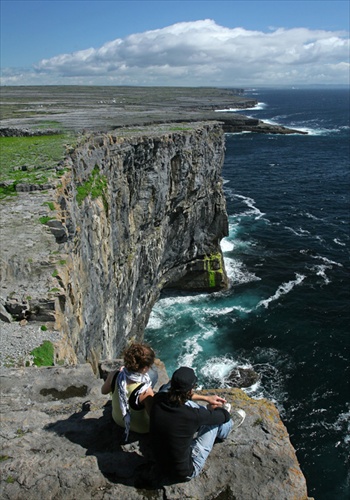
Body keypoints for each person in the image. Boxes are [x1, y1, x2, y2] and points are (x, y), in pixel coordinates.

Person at [149, 366, 246, 482]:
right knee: (213, 422)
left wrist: (206, 398)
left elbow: (174, 392)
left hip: (159, 462)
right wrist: (215, 409)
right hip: (185, 471)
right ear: (190, 390)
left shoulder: (158, 398)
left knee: (197, 411)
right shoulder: (193, 415)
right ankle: (227, 429)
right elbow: (223, 416)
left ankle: (216, 420)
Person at [101, 342, 157, 442]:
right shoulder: (145, 391)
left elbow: (103, 391)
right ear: (144, 368)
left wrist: (122, 375)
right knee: (154, 374)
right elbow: (154, 417)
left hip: (117, 419)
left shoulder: (115, 375)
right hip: (141, 428)